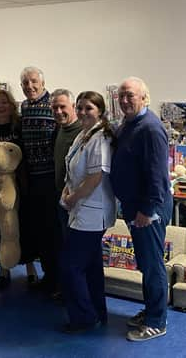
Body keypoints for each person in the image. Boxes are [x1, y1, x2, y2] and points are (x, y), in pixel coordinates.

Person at [110, 77, 173, 342]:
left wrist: (147, 210)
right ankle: (151, 310)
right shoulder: (129, 124)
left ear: (144, 98)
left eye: (131, 96)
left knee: (152, 265)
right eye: (122, 95)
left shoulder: (150, 128)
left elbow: (157, 174)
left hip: (149, 210)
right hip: (135, 206)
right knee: (146, 264)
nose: (125, 100)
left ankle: (157, 321)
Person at [59, 91, 116, 333]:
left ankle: (83, 317)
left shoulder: (101, 138)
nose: (83, 113)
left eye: (88, 108)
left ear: (100, 111)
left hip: (91, 211)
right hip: (80, 206)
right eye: (80, 108)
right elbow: (73, 169)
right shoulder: (84, 134)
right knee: (91, 266)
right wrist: (66, 190)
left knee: (71, 266)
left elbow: (95, 177)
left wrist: (72, 197)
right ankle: (97, 312)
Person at [0, 87, 38, 290]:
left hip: (19, 184)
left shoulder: (20, 126)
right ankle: (4, 270)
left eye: (4, 102)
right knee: (0, 228)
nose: (0, 106)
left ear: (11, 104)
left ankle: (31, 269)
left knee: (23, 226)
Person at [19, 66, 61, 296]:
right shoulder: (24, 107)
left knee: (54, 232)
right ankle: (49, 276)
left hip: (50, 179)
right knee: (41, 232)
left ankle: (59, 281)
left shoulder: (54, 104)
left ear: (43, 83)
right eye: (25, 83)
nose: (30, 86)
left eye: (34, 82)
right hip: (32, 178)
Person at [51, 89, 82, 238]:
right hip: (61, 197)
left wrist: (74, 196)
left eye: (63, 107)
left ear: (73, 106)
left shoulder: (83, 131)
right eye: (54, 107)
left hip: (76, 201)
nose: (58, 111)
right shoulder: (58, 129)